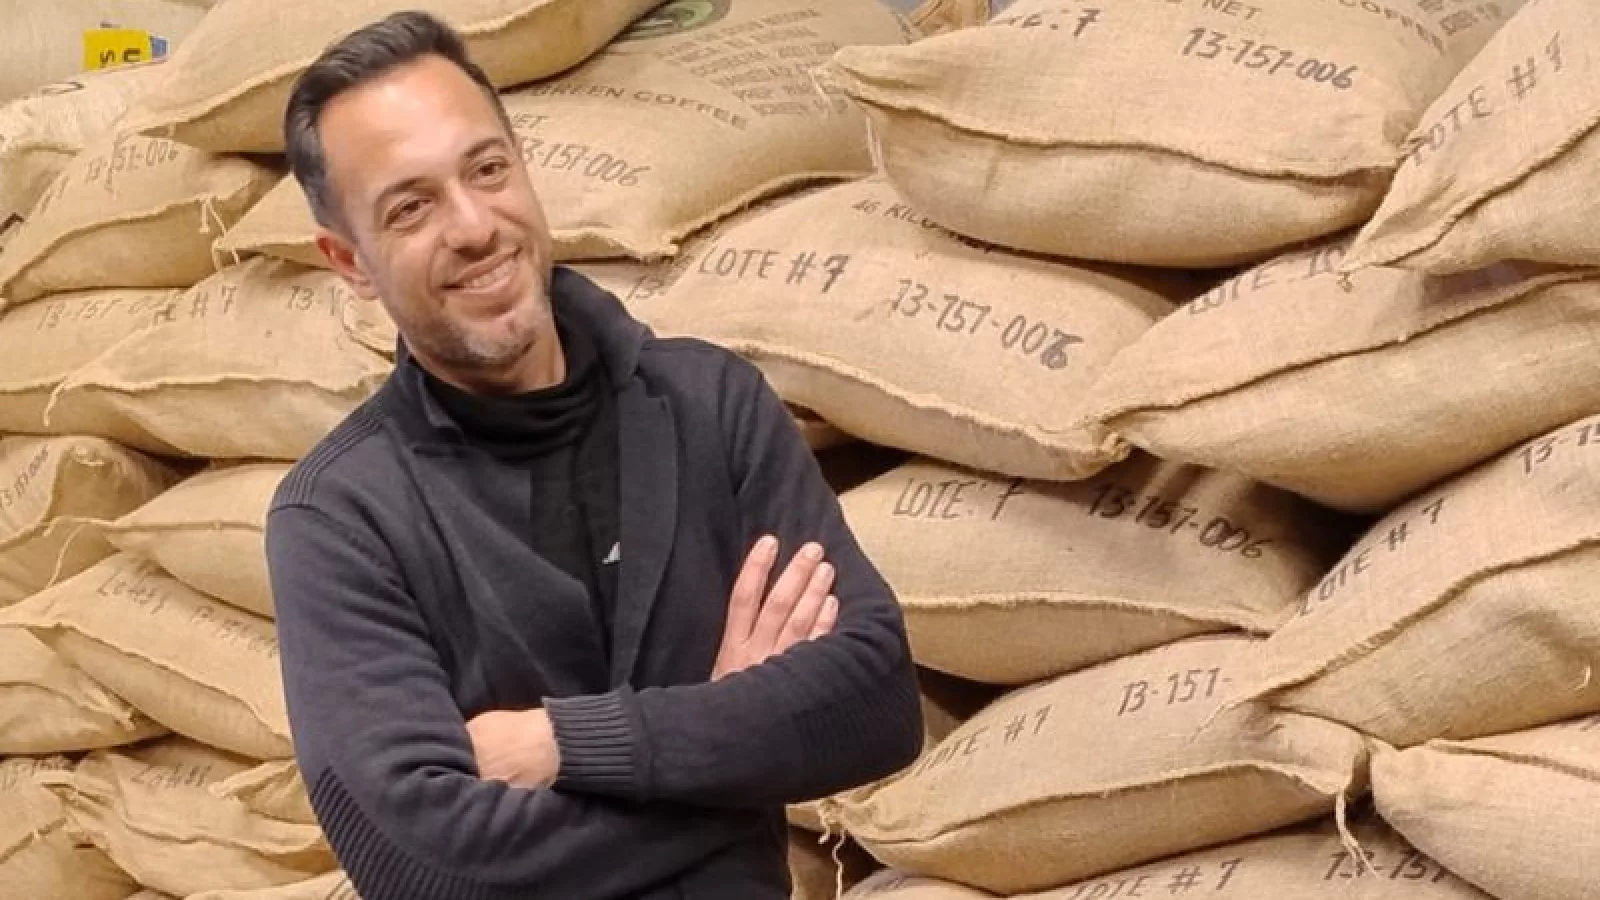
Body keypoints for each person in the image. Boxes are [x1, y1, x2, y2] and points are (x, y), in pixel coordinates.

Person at [263, 10, 923, 900]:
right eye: (411, 207)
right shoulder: (341, 517)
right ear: (349, 261)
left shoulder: (709, 406)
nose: (473, 225)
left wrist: (564, 744)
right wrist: (729, 745)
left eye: (487, 169)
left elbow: (875, 704)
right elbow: (426, 868)